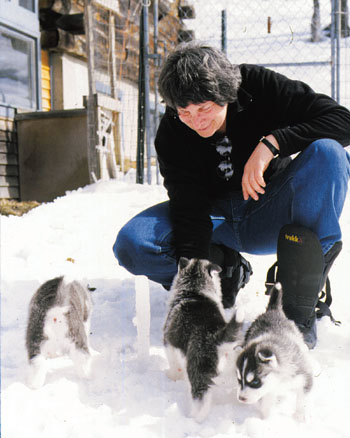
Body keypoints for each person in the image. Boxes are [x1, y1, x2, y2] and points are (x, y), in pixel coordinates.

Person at [113, 41, 350, 348]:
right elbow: (189, 209)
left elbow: (343, 121)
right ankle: (224, 271)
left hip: (272, 211)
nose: (195, 120)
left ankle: (297, 305)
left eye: (204, 108)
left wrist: (272, 144)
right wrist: (197, 294)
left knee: (328, 154)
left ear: (225, 93)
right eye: (184, 111)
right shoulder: (172, 131)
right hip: (215, 221)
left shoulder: (257, 87)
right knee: (134, 243)